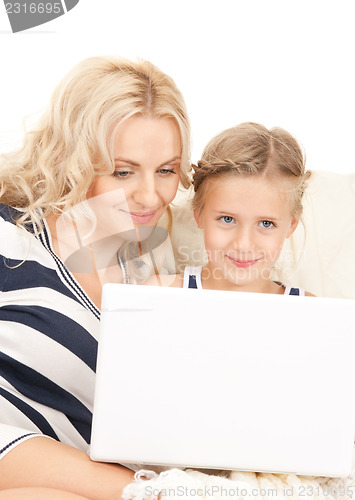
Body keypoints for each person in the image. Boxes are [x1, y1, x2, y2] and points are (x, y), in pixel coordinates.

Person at [0, 55, 191, 499]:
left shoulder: (148, 255)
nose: (150, 195)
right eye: (122, 172)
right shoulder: (10, 240)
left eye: (166, 170)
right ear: (70, 156)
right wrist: (155, 491)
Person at [147, 122, 315, 296]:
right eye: (227, 219)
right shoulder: (162, 293)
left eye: (266, 223)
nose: (243, 245)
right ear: (199, 213)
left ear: (292, 224)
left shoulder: (311, 309)